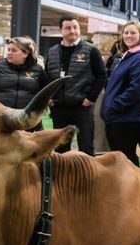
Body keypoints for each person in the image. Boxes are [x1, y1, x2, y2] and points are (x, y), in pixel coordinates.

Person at [45, 15, 107, 156]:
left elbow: (102, 75)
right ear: (61, 30)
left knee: (86, 147)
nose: (72, 31)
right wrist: (48, 98)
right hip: (58, 108)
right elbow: (47, 77)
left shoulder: (91, 50)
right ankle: (62, 177)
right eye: (68, 28)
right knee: (60, 149)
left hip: (82, 107)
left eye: (75, 27)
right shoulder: (52, 51)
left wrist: (90, 98)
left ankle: (89, 177)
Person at [100, 21, 140, 166]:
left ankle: (133, 187)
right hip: (118, 116)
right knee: (120, 158)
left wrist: (116, 105)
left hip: (128, 116)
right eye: (126, 32)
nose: (128, 35)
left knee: (126, 160)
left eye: (133, 33)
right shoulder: (128, 56)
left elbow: (137, 88)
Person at [0, 36, 49, 130]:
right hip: (1, 117)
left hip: (27, 119)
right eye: (9, 50)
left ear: (25, 53)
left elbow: (45, 92)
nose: (9, 53)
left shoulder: (38, 70)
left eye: (14, 50)